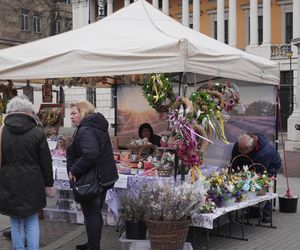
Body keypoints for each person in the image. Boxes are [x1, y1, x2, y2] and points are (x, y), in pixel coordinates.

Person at [0, 95, 55, 250]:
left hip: (9, 181)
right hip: (33, 182)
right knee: (31, 219)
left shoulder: (2, 131)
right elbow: (46, 161)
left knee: (16, 220)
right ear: (28, 112)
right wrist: (49, 184)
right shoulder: (37, 132)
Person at [66, 100, 119, 250]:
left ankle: (93, 246)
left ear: (83, 113)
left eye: (74, 113)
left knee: (91, 214)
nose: (71, 117)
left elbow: (90, 154)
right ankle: (92, 243)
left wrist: (74, 170)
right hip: (101, 177)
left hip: (93, 179)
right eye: (71, 114)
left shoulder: (86, 129)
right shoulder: (95, 126)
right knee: (94, 213)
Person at [231, 133, 281, 223]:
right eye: (239, 148)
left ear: (250, 148)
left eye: (242, 150)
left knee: (261, 185)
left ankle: (266, 211)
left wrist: (246, 179)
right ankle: (254, 211)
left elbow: (258, 173)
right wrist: (233, 174)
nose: (239, 151)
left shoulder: (264, 153)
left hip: (270, 164)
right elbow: (234, 160)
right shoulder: (240, 145)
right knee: (249, 184)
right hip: (253, 161)